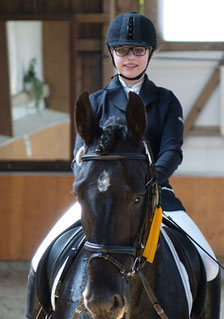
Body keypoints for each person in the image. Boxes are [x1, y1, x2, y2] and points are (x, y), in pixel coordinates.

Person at [73, 11, 219, 284]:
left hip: (156, 194)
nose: (130, 57)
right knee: (43, 253)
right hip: (100, 201)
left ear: (150, 53)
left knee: (209, 265)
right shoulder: (95, 102)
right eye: (122, 50)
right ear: (112, 53)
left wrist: (150, 180)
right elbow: (79, 154)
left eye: (138, 50)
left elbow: (172, 151)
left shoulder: (166, 101)